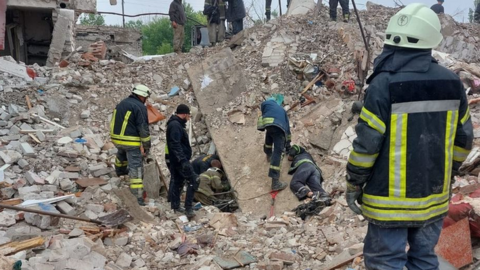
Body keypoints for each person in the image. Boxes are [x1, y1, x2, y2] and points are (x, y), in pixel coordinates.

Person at [345, 4, 473, 269]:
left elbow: (366, 146)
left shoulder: (383, 84)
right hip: (433, 197)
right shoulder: (452, 83)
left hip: (387, 202)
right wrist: (448, 172)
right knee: (424, 259)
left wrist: (354, 183)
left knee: (385, 262)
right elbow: (464, 141)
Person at [110, 85, 152, 205]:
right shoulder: (139, 107)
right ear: (142, 96)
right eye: (146, 97)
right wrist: (147, 145)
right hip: (130, 141)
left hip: (117, 139)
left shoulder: (122, 103)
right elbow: (143, 129)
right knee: (136, 168)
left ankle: (120, 172)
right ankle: (138, 196)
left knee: (122, 154)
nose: (146, 100)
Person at [166, 104, 199, 218]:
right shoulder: (175, 125)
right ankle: (188, 208)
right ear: (184, 114)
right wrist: (183, 160)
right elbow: (175, 144)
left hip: (177, 160)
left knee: (178, 182)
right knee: (194, 180)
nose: (189, 118)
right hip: (179, 160)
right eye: (188, 116)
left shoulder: (175, 124)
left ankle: (175, 206)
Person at [257, 95, 291, 191]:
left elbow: (264, 116)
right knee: (278, 152)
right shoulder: (282, 110)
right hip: (279, 127)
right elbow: (287, 130)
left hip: (267, 123)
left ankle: (268, 154)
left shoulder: (265, 104)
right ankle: (275, 183)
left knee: (270, 133)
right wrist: (288, 145)